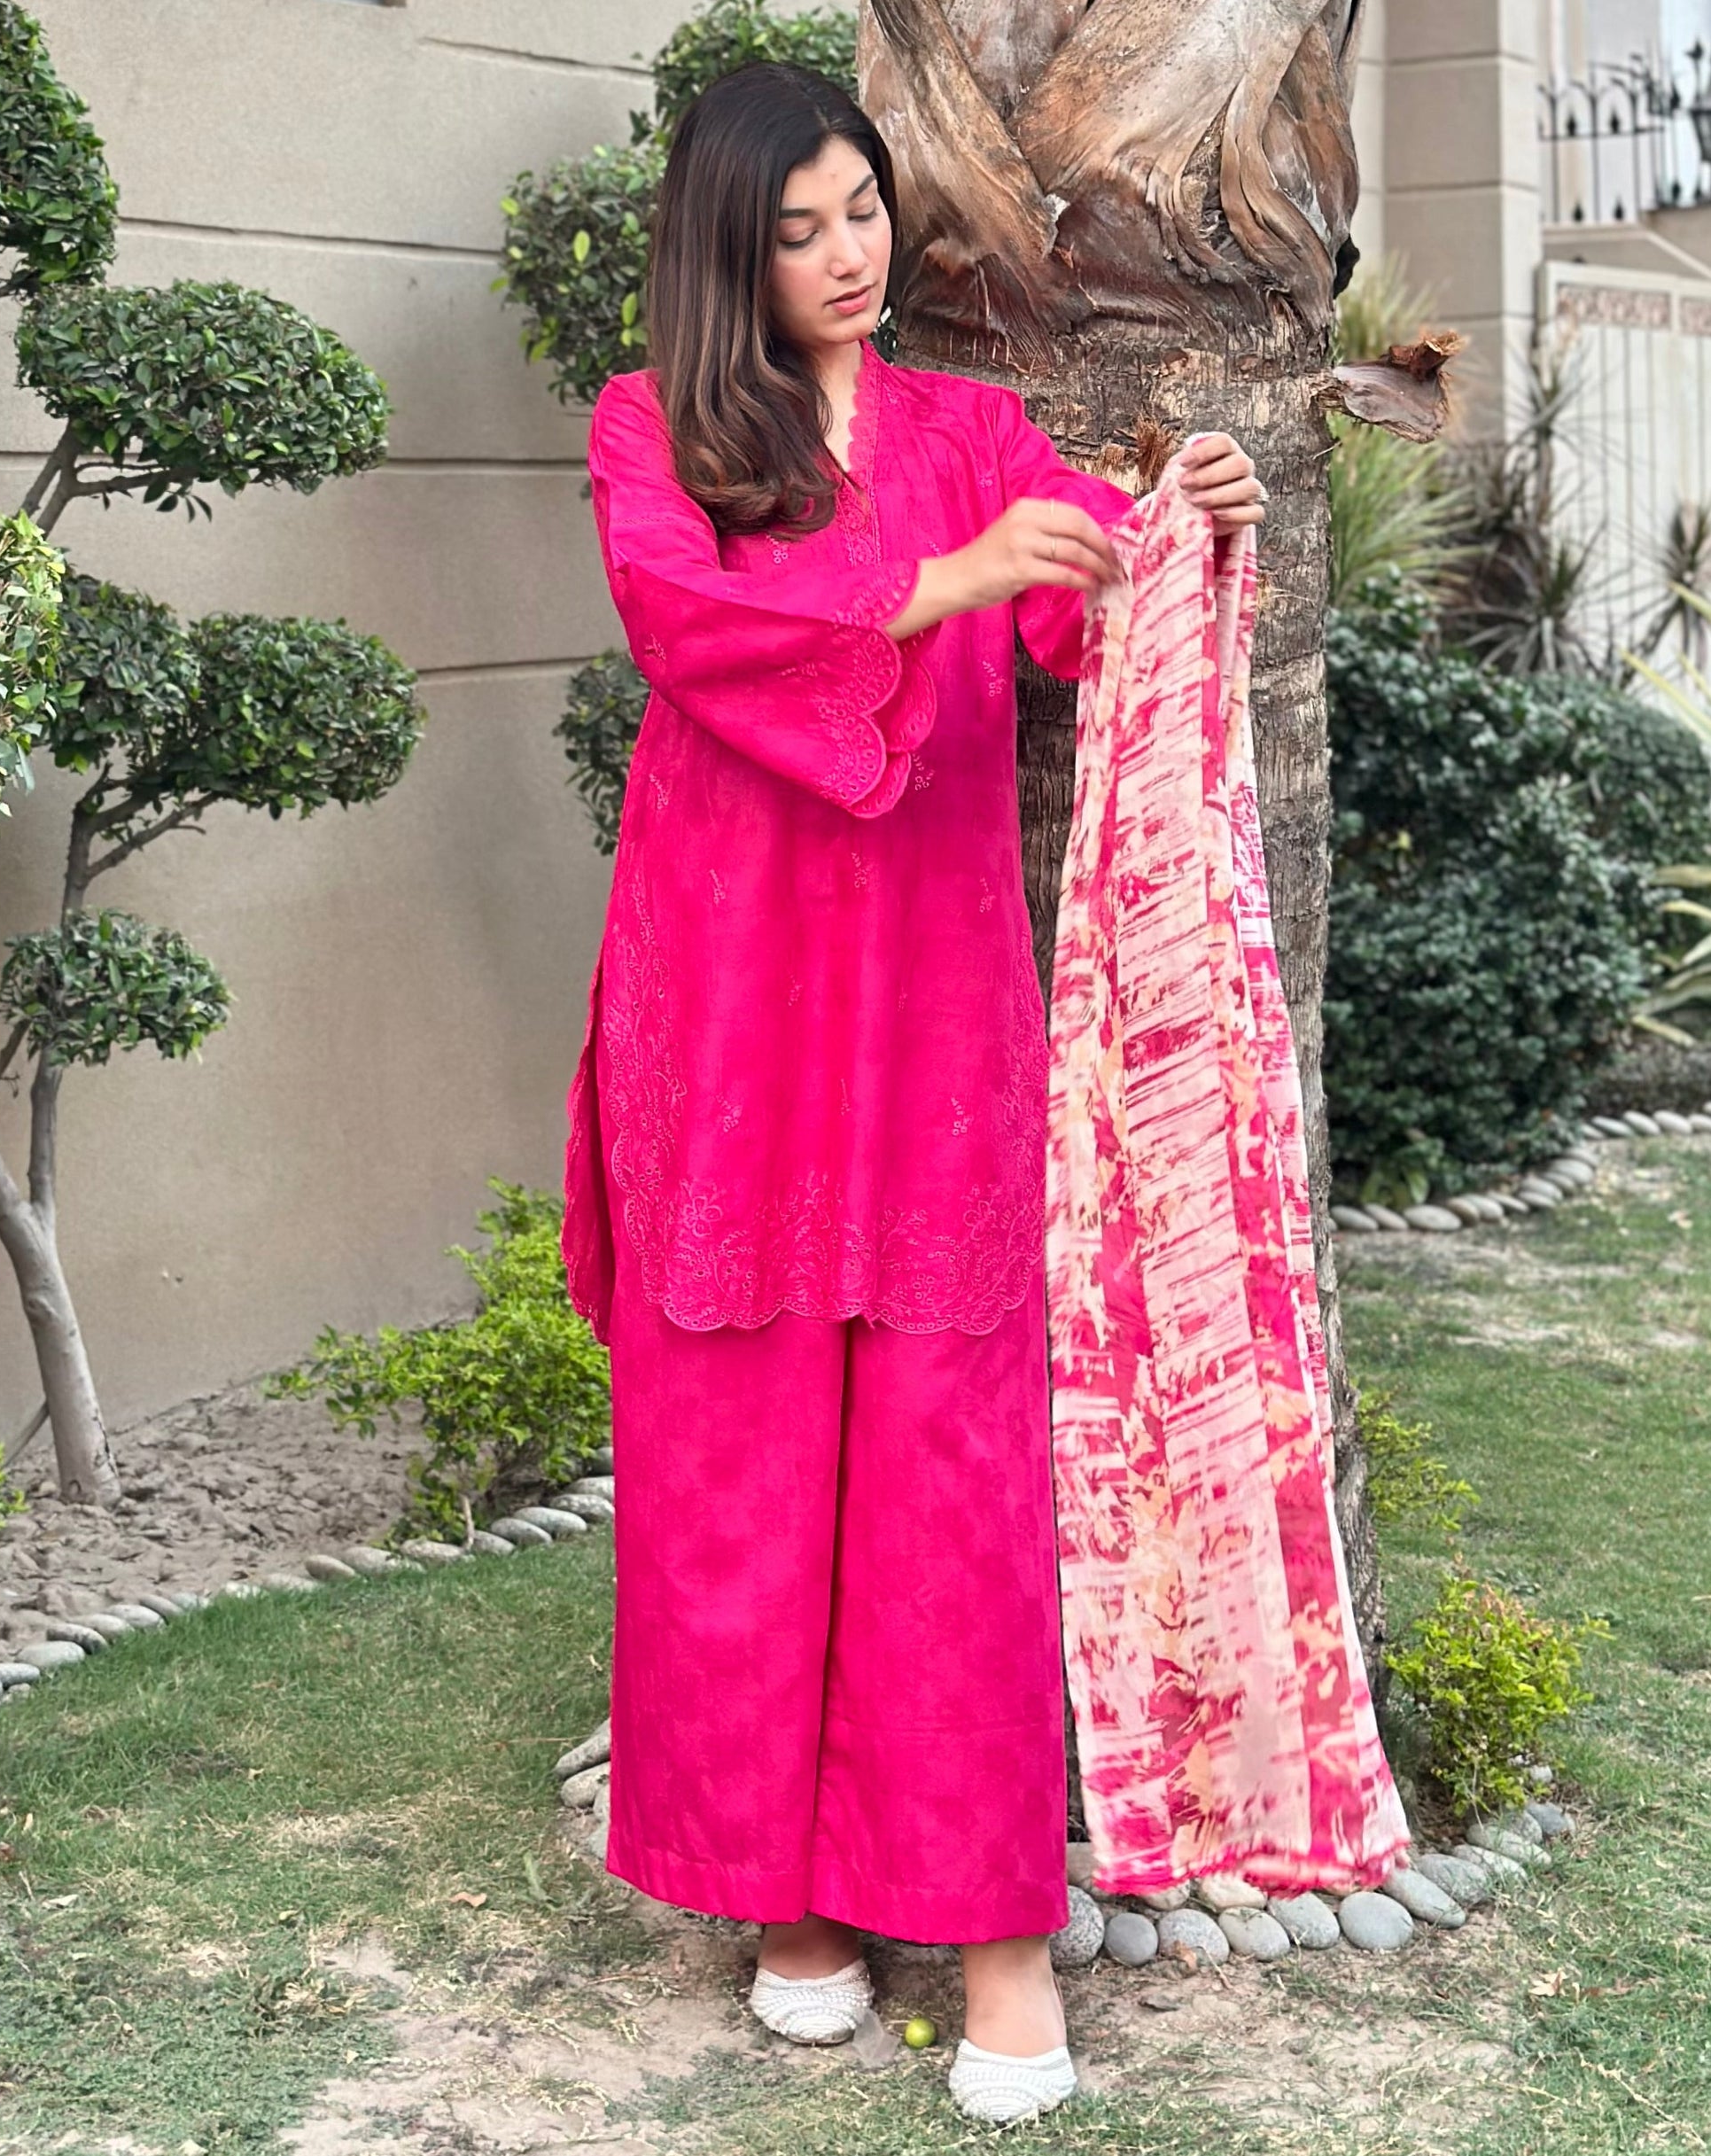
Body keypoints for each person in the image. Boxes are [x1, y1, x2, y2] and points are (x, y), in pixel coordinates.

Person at [561, 59, 1265, 2126]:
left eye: (859, 209)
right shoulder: (657, 431)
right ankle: (782, 1901)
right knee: (736, 1440)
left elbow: (1087, 605)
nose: (845, 254)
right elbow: (689, 621)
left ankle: (996, 1941)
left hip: (933, 1006)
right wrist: (931, 586)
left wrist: (1182, 526)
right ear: (727, 251)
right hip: (727, 993)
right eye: (794, 229)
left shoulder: (972, 431)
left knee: (951, 1458)